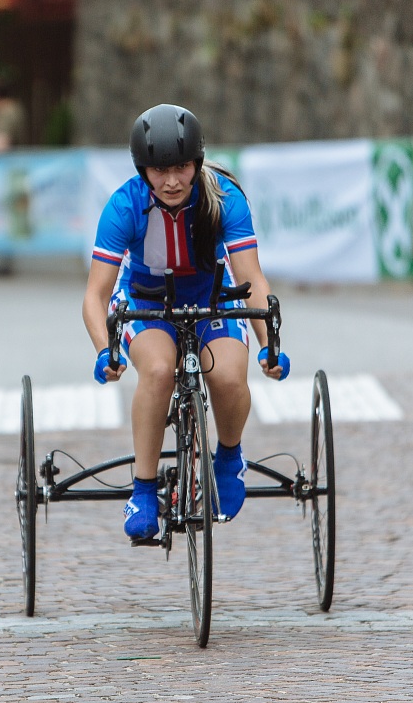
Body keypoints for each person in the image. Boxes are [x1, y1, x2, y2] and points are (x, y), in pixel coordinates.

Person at [81, 104, 290, 541]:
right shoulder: (124, 205)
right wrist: (106, 349)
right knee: (157, 371)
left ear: (196, 162)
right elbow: (95, 295)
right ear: (143, 170)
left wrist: (269, 343)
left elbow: (250, 277)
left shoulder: (223, 197)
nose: (172, 181)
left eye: (180, 167)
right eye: (159, 171)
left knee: (231, 379)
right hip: (146, 301)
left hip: (212, 298)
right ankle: (142, 491)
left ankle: (229, 458)